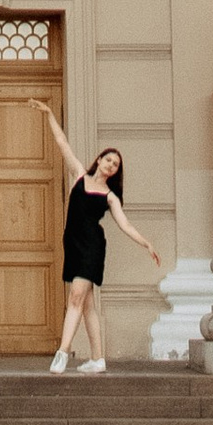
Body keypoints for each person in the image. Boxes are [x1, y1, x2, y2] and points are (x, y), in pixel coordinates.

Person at [41, 116, 159, 373]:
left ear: (116, 171)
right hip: (72, 244)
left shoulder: (110, 196)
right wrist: (49, 113)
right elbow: (62, 143)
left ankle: (62, 352)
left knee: (75, 297)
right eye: (108, 159)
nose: (111, 165)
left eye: (116, 165)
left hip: (92, 247)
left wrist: (146, 243)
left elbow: (125, 225)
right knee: (87, 304)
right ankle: (98, 358)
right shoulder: (79, 175)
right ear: (100, 159)